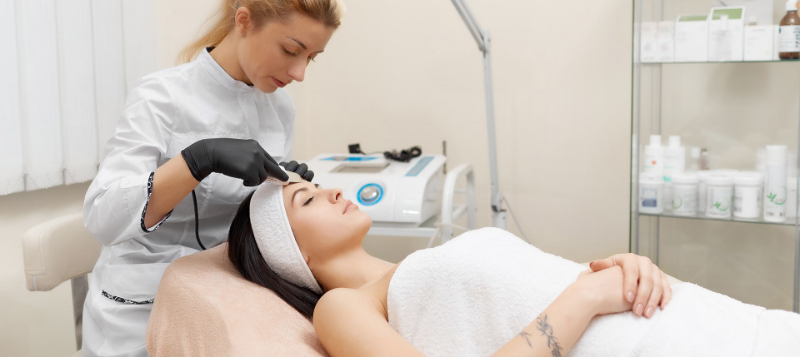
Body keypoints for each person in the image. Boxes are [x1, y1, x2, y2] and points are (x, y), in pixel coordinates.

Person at [82, 0, 344, 356]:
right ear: (243, 22)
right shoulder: (160, 97)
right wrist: (196, 161)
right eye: (291, 49)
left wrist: (278, 194)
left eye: (310, 57)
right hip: (142, 304)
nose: (299, 73)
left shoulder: (279, 109)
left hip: (226, 294)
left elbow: (252, 233)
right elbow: (103, 217)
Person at [228, 180, 800, 357]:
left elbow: (542, 282)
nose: (329, 191)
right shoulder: (343, 308)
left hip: (697, 319)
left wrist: (627, 266)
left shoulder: (422, 261)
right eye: (306, 201)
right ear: (292, 255)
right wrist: (589, 298)